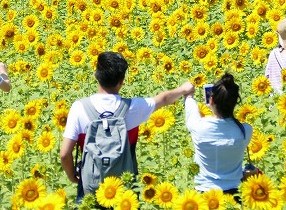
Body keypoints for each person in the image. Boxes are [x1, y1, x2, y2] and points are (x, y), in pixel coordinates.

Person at [59, 52, 193, 200]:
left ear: (96, 74)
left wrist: (72, 176)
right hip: (125, 189)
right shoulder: (133, 107)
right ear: (122, 81)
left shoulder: (79, 108)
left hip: (91, 187)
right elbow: (164, 99)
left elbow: (65, 154)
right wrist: (184, 89)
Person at [183, 73, 252, 197]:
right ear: (235, 102)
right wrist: (215, 105)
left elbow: (190, 106)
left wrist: (189, 95)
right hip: (234, 194)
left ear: (212, 100)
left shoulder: (199, 127)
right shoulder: (244, 131)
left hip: (204, 194)